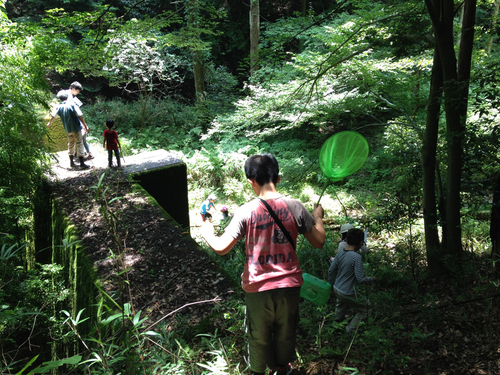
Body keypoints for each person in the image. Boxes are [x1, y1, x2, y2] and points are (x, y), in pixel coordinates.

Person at [201, 154, 325, 375]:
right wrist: (318, 218)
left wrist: (206, 232)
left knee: (258, 336)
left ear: (251, 182)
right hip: (289, 287)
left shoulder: (246, 211)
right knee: (286, 332)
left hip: (258, 289)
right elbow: (319, 241)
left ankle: (258, 371)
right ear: (278, 178)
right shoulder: (295, 206)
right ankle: (283, 368)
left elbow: (221, 248)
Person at [328, 228, 376, 333]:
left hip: (337, 288)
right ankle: (349, 330)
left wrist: (331, 286)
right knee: (366, 308)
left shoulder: (340, 253)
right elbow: (360, 279)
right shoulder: (356, 257)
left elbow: (331, 270)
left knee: (340, 304)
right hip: (348, 291)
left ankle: (336, 325)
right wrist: (371, 279)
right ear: (361, 242)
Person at [47, 90, 90, 169]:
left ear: (60, 99)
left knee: (71, 144)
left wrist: (49, 123)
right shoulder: (73, 105)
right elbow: (80, 116)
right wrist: (85, 126)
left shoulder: (59, 107)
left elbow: (53, 115)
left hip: (68, 130)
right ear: (67, 97)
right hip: (76, 128)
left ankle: (71, 163)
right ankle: (82, 164)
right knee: (79, 144)